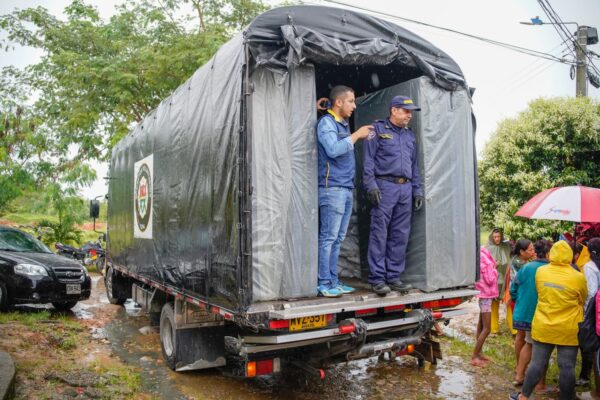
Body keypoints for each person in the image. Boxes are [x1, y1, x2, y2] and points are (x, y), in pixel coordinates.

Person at [510, 240, 588, 400]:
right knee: (567, 366)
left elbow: (539, 291)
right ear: (569, 255)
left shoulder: (542, 272)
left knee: (537, 363)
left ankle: (524, 396)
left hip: (543, 325)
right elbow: (582, 299)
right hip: (568, 328)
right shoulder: (578, 276)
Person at [362, 95, 424, 296]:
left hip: (405, 189)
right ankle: (378, 278)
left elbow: (414, 166)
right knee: (379, 233)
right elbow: (368, 161)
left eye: (410, 112)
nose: (409, 115)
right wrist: (370, 185)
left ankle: (394, 276)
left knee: (400, 234)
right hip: (384, 186)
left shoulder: (409, 136)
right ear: (394, 110)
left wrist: (417, 190)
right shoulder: (377, 130)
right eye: (406, 111)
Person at [316, 85, 373, 298]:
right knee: (328, 238)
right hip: (332, 189)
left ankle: (333, 280)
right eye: (351, 101)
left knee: (338, 238)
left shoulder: (340, 122)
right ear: (339, 102)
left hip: (345, 188)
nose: (354, 106)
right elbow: (333, 149)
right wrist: (357, 135)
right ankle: (323, 282)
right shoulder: (326, 123)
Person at [510, 239, 553, 393]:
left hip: (524, 313)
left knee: (527, 343)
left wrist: (519, 300)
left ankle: (519, 375)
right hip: (541, 314)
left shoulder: (526, 267)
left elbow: (513, 287)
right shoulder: (550, 269)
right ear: (548, 253)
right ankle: (540, 384)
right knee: (542, 348)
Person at [510, 239, 535, 372]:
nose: (533, 252)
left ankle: (520, 366)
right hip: (518, 300)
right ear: (521, 251)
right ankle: (519, 366)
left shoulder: (522, 261)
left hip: (519, 299)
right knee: (521, 335)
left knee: (523, 336)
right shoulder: (520, 264)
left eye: (533, 249)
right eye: (530, 250)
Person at [472, 246, 499, 367]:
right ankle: (474, 356)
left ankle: (479, 353)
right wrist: (495, 268)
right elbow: (490, 279)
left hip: (482, 294)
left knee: (481, 325)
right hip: (486, 296)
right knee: (487, 328)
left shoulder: (479, 257)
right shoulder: (486, 260)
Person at [581, 237, 600, 398]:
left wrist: (586, 313)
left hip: (593, 311)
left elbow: (592, 292)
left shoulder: (589, 267)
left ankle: (589, 382)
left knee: (591, 347)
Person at [485, 228, 512, 334]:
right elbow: (484, 265)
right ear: (492, 237)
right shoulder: (487, 248)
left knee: (508, 302)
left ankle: (514, 330)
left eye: (499, 236)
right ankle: (494, 329)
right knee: (494, 305)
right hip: (494, 281)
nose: (497, 239)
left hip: (506, 279)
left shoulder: (506, 247)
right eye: (495, 237)